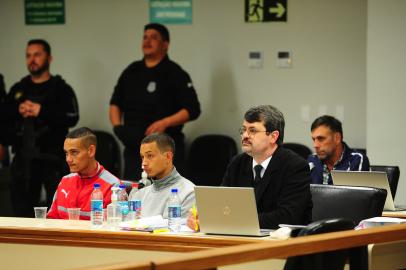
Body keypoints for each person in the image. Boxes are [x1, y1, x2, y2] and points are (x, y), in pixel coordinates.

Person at [188, 105, 313, 230]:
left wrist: (235, 221)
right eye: (243, 130)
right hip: (241, 237)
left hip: (282, 242)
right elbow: (223, 204)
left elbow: (287, 217)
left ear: (273, 136)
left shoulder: (295, 166)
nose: (245, 136)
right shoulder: (237, 163)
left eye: (252, 131)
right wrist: (205, 216)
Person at [109, 23, 201, 180]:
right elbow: (115, 103)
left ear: (165, 44)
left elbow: (192, 109)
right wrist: (117, 127)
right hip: (134, 148)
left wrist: (165, 122)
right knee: (134, 195)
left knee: (168, 196)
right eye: (145, 37)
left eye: (153, 37)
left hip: (163, 148)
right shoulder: (131, 71)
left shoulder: (175, 72)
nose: (147, 41)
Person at [2, 39, 79, 217]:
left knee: (58, 212)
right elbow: (3, 113)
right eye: (28, 55)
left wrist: (42, 111)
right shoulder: (18, 89)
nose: (32, 59)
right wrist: (17, 109)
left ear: (49, 58)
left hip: (54, 158)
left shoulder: (61, 88)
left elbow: (73, 117)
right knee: (21, 212)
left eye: (37, 54)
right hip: (23, 159)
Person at [47, 127, 120, 220]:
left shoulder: (113, 186)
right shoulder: (65, 181)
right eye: (66, 153)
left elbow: (113, 229)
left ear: (91, 151)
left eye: (74, 152)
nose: (68, 159)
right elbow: (50, 220)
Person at [132, 132, 195, 219]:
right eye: (142, 157)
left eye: (150, 156)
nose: (144, 163)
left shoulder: (189, 193)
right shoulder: (139, 195)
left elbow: (178, 231)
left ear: (168, 157)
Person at [307, 115, 370, 185]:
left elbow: (353, 195)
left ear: (337, 138)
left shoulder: (356, 159)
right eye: (313, 139)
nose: (315, 145)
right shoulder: (312, 159)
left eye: (321, 139)